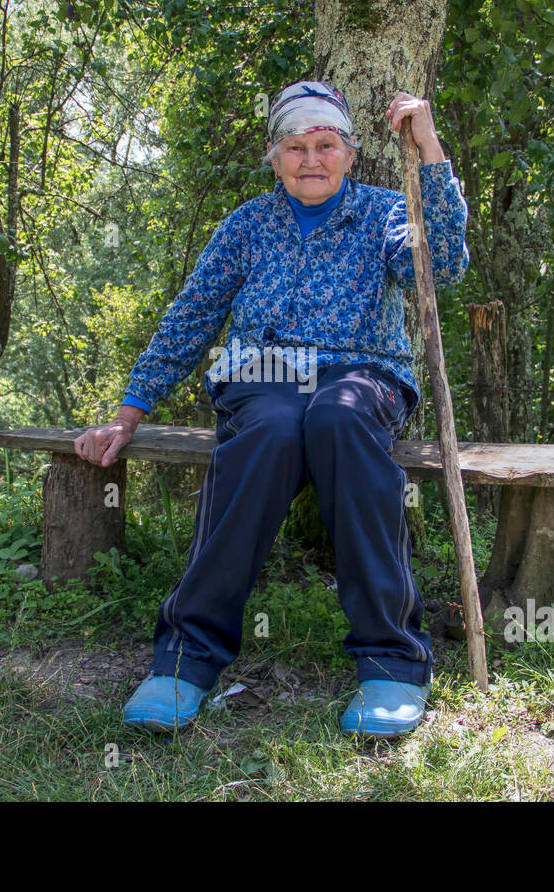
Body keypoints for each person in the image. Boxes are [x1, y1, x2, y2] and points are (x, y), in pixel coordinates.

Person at [73, 80, 470, 738]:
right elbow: (192, 315)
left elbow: (443, 267)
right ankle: (185, 657)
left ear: (348, 150)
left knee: (339, 417)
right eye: (295, 146)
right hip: (262, 378)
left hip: (361, 374)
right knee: (272, 429)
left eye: (325, 145)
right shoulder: (248, 224)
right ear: (273, 153)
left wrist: (429, 148)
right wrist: (128, 412)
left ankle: (393, 662)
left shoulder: (386, 211)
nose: (311, 159)